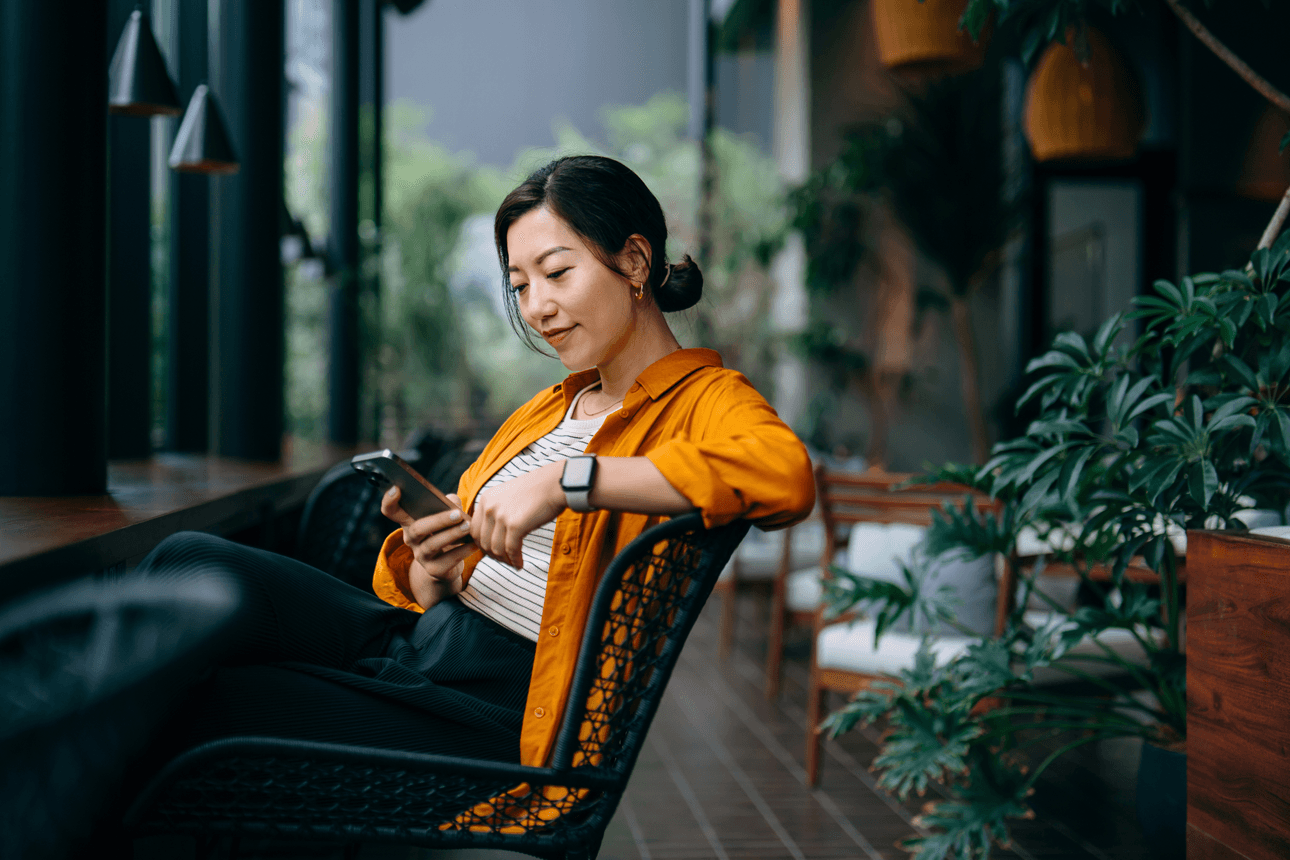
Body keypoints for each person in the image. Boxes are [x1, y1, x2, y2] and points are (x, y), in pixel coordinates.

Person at [136, 155, 814, 772]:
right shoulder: (546, 411)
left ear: (634, 262)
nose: (537, 308)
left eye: (556, 273)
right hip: (423, 641)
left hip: (489, 706)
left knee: (214, 700)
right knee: (191, 559)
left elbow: (783, 474)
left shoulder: (705, 400)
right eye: (520, 285)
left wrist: (566, 482)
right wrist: (434, 565)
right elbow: (450, 579)